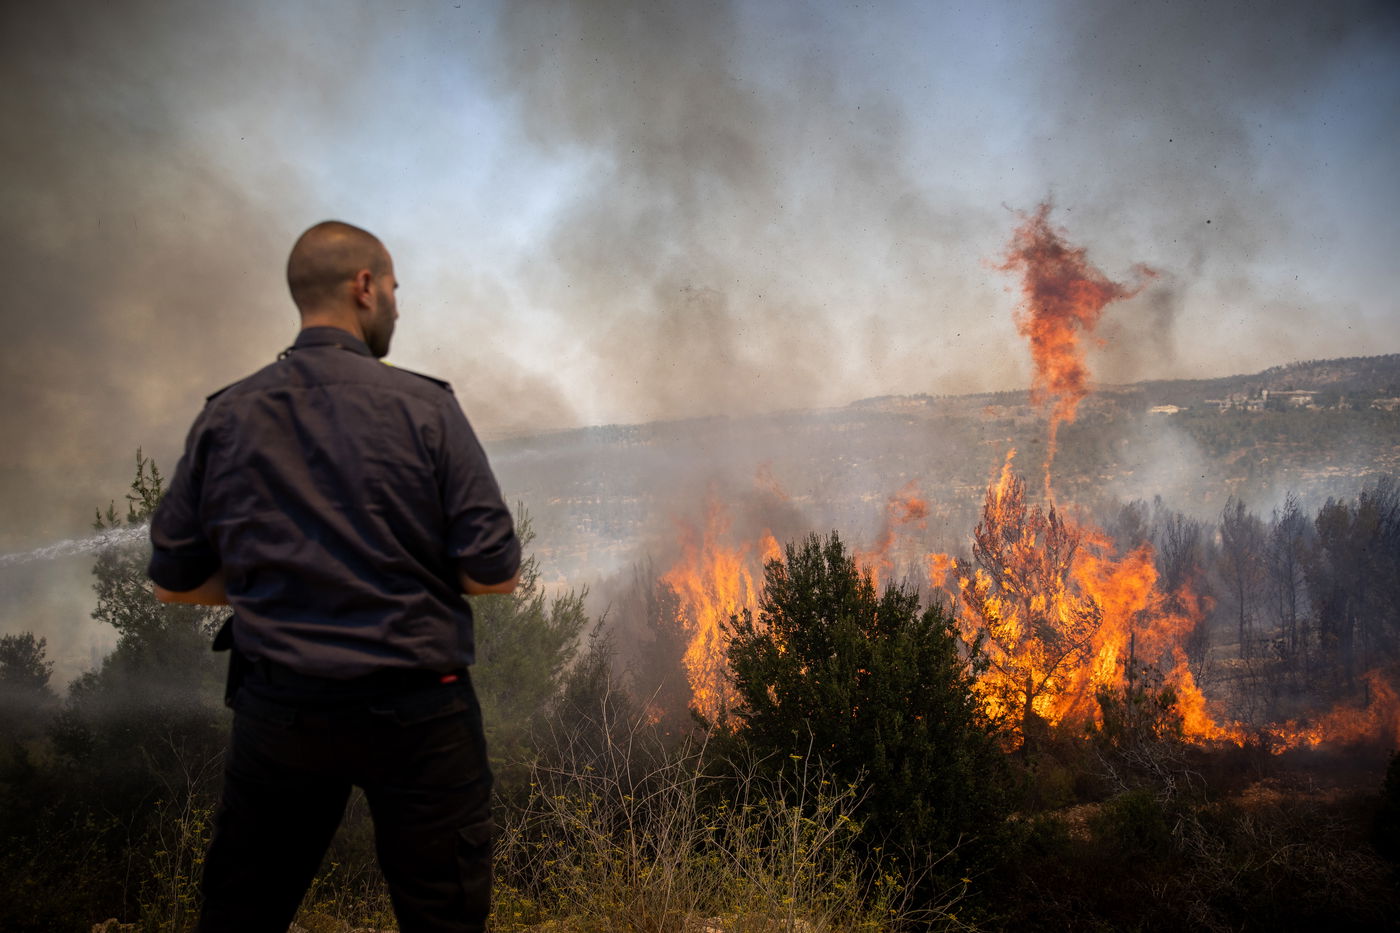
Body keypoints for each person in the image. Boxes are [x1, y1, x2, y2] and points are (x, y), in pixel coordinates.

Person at [146, 220, 520, 933]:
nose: (398, 308)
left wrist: (273, 579)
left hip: (282, 709)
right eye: (396, 290)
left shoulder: (227, 415)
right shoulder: (427, 408)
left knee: (241, 912)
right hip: (420, 714)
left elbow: (172, 581)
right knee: (445, 915)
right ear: (364, 286)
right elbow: (494, 572)